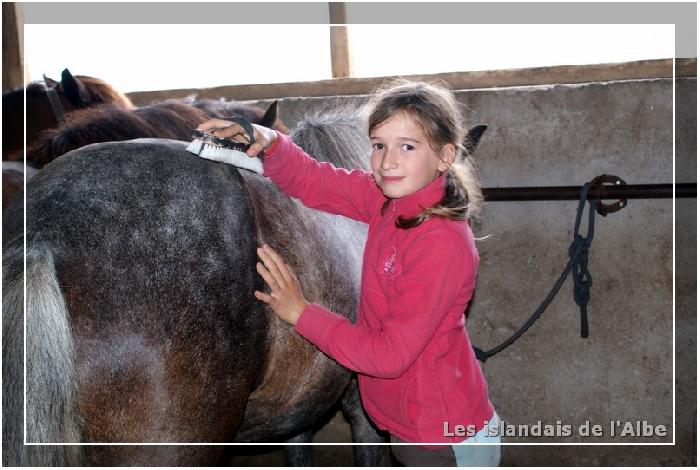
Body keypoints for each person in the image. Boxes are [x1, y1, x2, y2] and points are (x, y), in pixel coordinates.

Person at [197, 79, 501, 466]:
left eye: (407, 146)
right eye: (379, 145)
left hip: (443, 437)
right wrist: (270, 141)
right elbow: (315, 180)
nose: (388, 161)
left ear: (444, 156)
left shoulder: (441, 243)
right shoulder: (388, 201)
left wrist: (301, 313)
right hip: (412, 426)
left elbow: (388, 355)